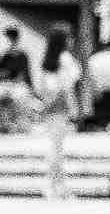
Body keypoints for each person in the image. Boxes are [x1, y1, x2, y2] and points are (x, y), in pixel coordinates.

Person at [36, 25, 84, 200]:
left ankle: (59, 186)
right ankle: (52, 186)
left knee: (56, 148)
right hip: (61, 106)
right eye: (70, 37)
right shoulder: (66, 59)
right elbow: (67, 88)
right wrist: (74, 109)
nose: (72, 40)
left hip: (50, 107)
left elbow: (44, 86)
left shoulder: (49, 59)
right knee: (57, 150)